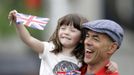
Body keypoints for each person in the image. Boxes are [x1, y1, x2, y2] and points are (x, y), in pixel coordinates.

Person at [8, 10, 118, 75]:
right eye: (63, 28)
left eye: (72, 30)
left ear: (81, 38)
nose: (66, 32)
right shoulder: (48, 49)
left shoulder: (85, 57)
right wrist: (18, 22)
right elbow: (28, 39)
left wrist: (112, 64)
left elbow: (102, 62)